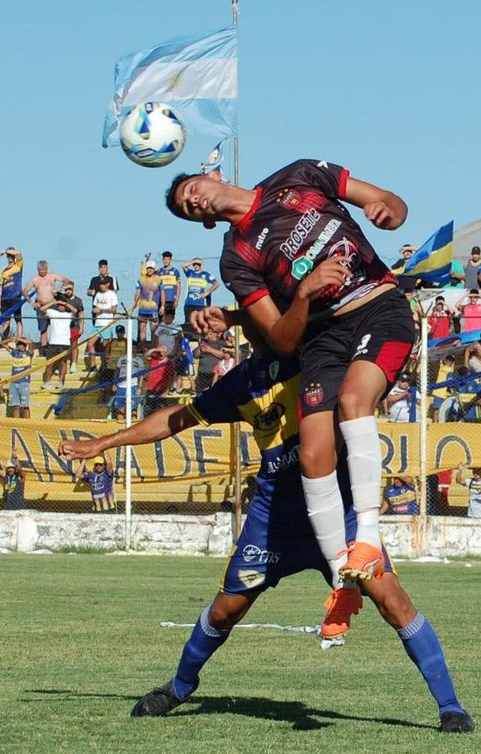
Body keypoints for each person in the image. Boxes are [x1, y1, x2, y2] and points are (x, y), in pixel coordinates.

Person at [58, 349, 472, 732]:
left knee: (392, 601)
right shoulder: (241, 382)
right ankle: (179, 687)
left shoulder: (317, 354)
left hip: (338, 513)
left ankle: (451, 707)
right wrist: (105, 442)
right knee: (224, 612)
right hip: (275, 521)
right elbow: (177, 418)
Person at [169, 159, 415, 590]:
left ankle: (369, 541)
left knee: (354, 401)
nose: (194, 201)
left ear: (213, 176)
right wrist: (302, 293)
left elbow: (389, 202)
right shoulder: (236, 258)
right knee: (312, 454)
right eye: (189, 209)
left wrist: (388, 213)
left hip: (377, 306)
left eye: (191, 190)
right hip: (321, 336)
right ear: (203, 223)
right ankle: (343, 582)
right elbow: (281, 340)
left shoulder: (298, 176)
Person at [22, 260, 69, 346]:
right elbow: (25, 291)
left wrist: (58, 289)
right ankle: (43, 349)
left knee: (57, 327)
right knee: (43, 329)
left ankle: (57, 346)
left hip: (53, 305)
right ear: (37, 269)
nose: (42, 271)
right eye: (40, 270)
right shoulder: (35, 279)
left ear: (47, 269)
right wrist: (32, 303)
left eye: (44, 269)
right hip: (41, 306)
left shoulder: (52, 276)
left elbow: (66, 281)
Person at [5, 336, 35, 418]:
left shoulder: (29, 353)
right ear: (17, 346)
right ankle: (16, 423)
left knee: (25, 406)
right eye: (20, 345)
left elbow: (31, 342)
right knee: (15, 406)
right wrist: (11, 339)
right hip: (13, 383)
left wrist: (19, 339)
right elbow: (3, 344)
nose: (21, 346)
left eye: (23, 344)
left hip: (24, 383)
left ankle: (27, 424)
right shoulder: (14, 352)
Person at [133, 260, 161, 345]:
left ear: (154, 269)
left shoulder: (158, 280)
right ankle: (143, 348)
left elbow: (162, 293)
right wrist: (135, 303)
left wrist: (162, 305)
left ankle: (153, 348)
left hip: (153, 309)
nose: (150, 270)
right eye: (148, 268)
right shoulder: (141, 280)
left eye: (151, 268)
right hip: (143, 309)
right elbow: (138, 292)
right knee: (142, 328)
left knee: (154, 330)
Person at [0, 248, 25, 337]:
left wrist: (6, 251)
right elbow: (0, 286)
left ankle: (19, 339)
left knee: (18, 320)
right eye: (8, 256)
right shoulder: (3, 270)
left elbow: (19, 252)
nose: (10, 257)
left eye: (11, 255)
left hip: (15, 297)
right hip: (5, 298)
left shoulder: (18, 266)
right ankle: (5, 339)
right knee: (6, 321)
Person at [156, 251, 182, 324]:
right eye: (164, 259)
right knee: (161, 322)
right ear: (162, 260)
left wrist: (177, 300)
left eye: (167, 259)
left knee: (169, 321)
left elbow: (179, 287)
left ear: (170, 260)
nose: (166, 261)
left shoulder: (175, 271)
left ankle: (169, 335)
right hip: (161, 301)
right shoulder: (159, 271)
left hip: (171, 301)